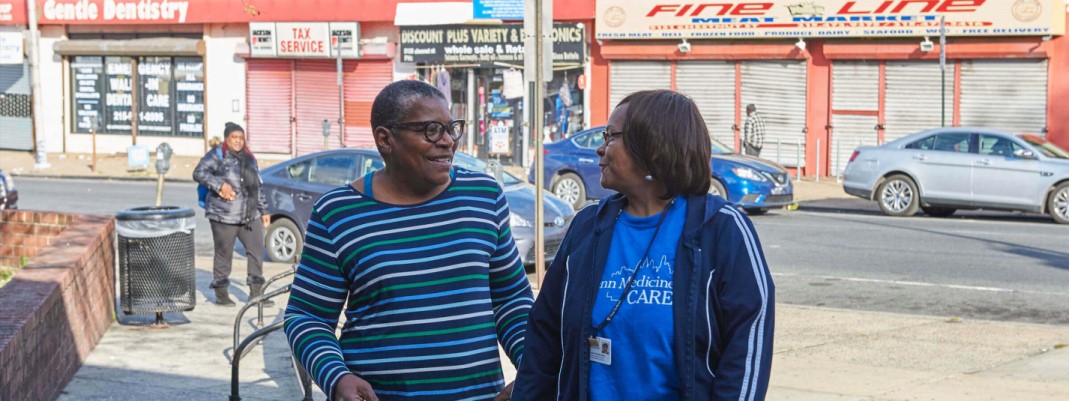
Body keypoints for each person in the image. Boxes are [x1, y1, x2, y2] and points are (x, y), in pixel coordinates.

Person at [512, 90, 775, 401]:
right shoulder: (586, 226)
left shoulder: (721, 228)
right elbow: (544, 337)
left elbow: (747, 349)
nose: (600, 149)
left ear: (652, 146)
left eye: (610, 137)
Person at [283, 80, 533, 401]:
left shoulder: (484, 197)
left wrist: (532, 368)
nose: (447, 142)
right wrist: (337, 376)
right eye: (430, 130)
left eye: (451, 128)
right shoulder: (337, 213)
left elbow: (511, 300)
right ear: (385, 140)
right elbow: (307, 316)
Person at [193, 122, 271, 307]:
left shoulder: (250, 158)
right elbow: (199, 172)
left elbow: (256, 187)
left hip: (249, 215)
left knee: (256, 252)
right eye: (234, 138)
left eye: (241, 138)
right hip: (223, 215)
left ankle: (255, 294)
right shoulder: (217, 155)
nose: (238, 141)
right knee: (224, 254)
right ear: (227, 139)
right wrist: (220, 185)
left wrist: (264, 210)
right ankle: (221, 294)